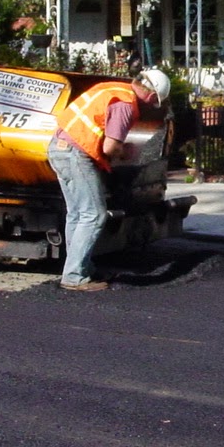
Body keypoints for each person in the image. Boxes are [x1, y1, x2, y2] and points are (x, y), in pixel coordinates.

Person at [47, 68, 171, 291]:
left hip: (59, 148)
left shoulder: (112, 88)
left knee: (77, 214)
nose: (151, 106)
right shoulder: (125, 104)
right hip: (76, 155)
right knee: (94, 214)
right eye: (154, 103)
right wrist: (126, 153)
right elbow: (110, 146)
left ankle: (80, 268)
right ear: (152, 97)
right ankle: (74, 275)